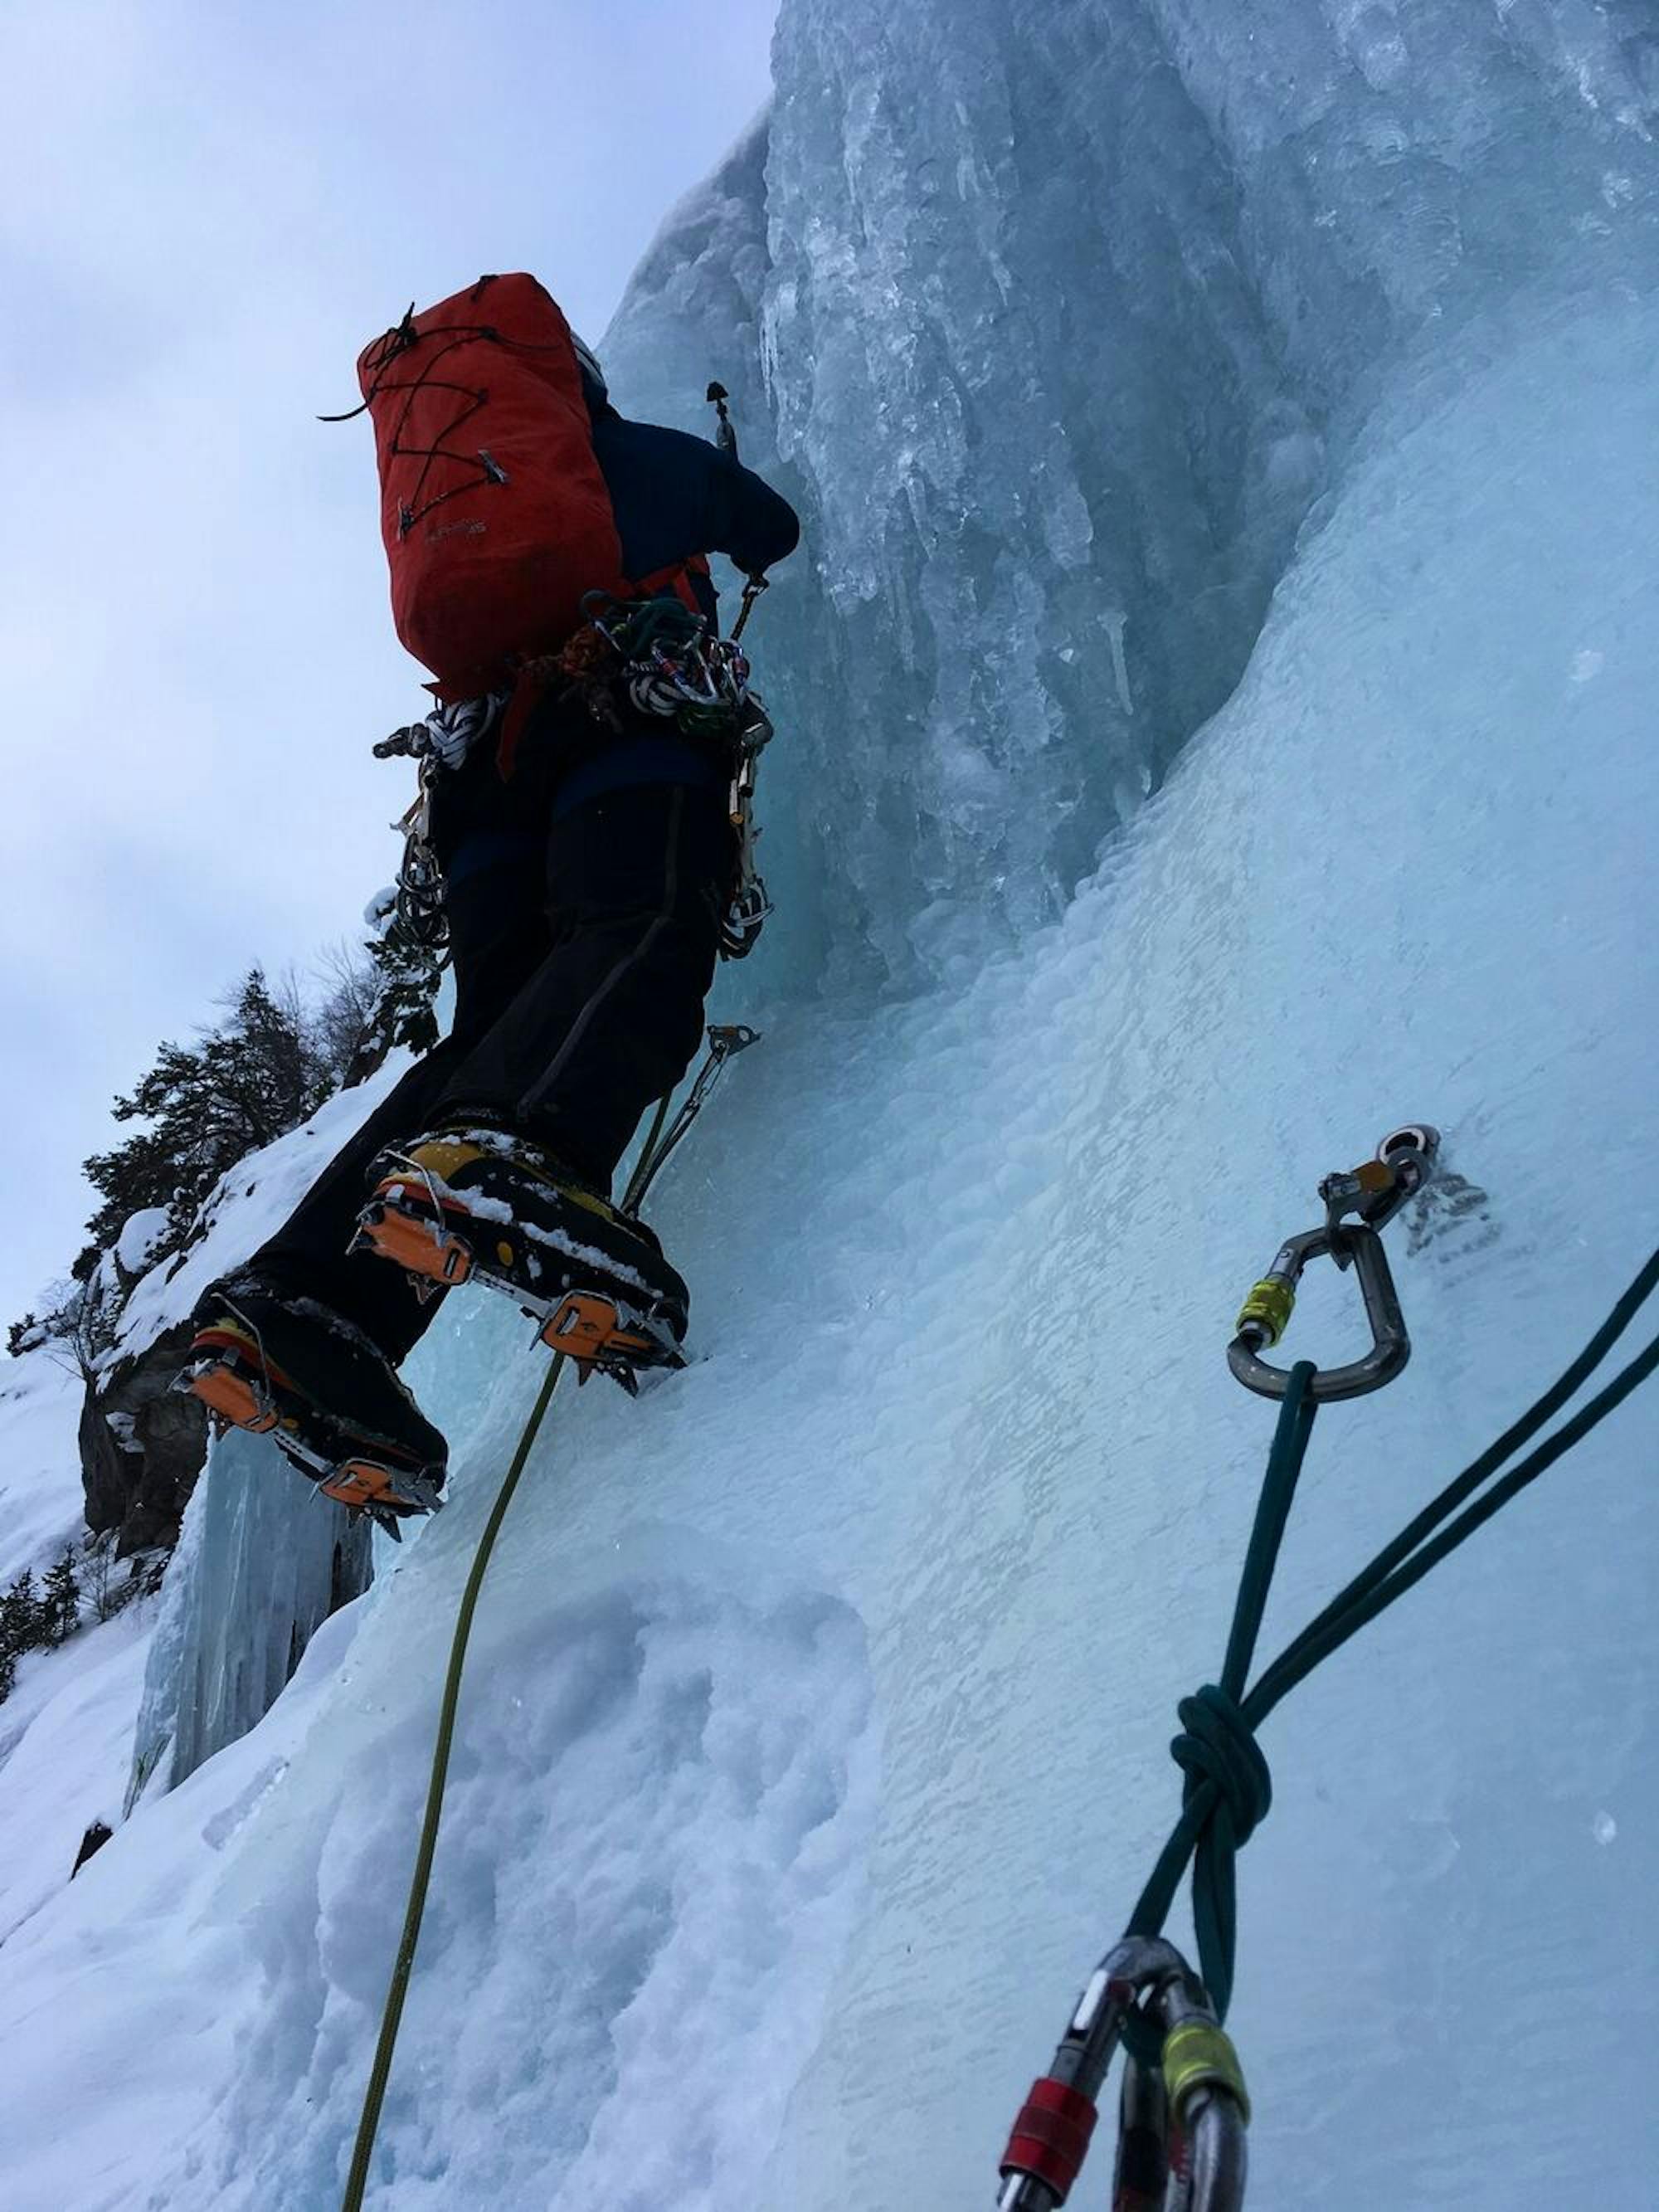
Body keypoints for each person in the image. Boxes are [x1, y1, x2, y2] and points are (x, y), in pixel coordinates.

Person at [182, 330, 800, 1528]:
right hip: (624, 721)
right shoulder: (623, 461)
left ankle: (311, 1312)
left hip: (479, 792)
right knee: (646, 923)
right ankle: (527, 1155)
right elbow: (766, 524)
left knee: (492, 1033)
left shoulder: (472, 523)